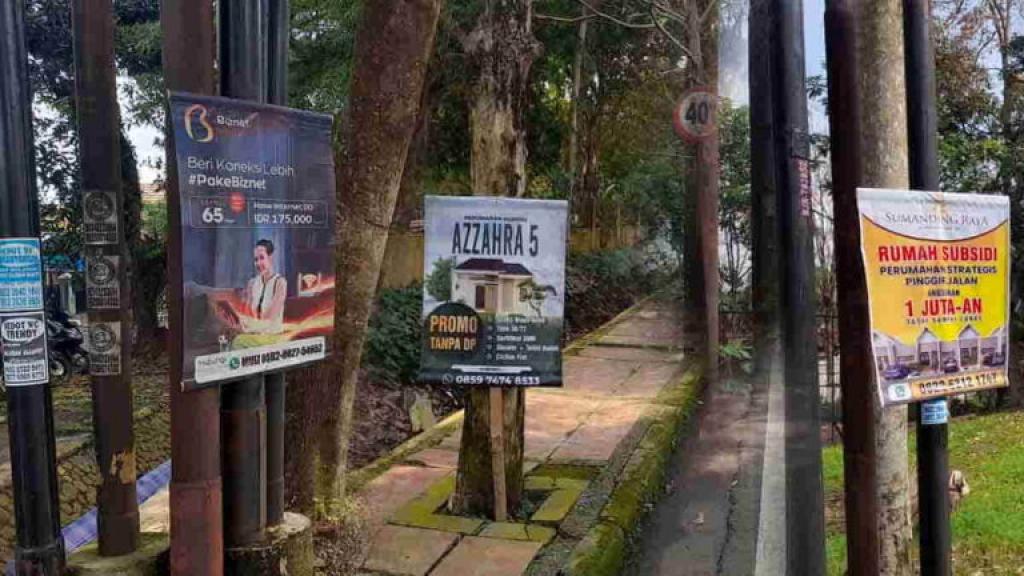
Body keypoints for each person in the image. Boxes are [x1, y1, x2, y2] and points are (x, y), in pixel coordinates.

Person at [240, 239, 287, 335]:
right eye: (256, 259)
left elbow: (270, 319)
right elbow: (247, 314)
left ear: (271, 258)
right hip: (253, 334)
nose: (258, 263)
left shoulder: (280, 283)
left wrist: (250, 326)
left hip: (272, 335)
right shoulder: (252, 283)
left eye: (262, 258)